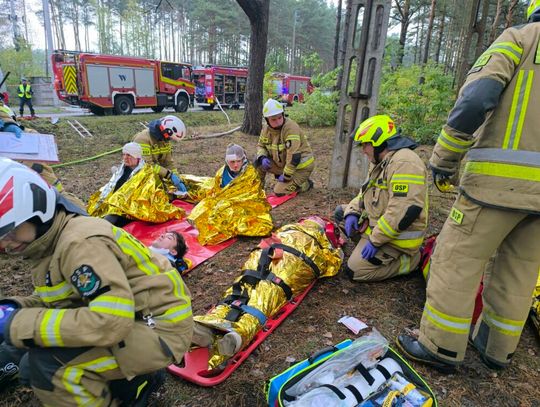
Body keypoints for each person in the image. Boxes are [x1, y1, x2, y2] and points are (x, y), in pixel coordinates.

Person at [397, 1, 540, 372]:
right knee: (521, 268)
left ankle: (439, 345)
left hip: (495, 186)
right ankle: (496, 349)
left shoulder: (520, 39)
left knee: (456, 259)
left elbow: (476, 98)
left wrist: (444, 158)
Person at [0, 158, 193, 405]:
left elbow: (110, 322)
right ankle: (129, 383)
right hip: (136, 318)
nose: (6, 243)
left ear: (37, 211)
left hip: (159, 329)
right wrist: (16, 309)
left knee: (51, 369)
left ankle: (132, 384)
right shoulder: (48, 243)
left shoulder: (80, 244)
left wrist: (17, 324)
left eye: (9, 231)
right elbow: (64, 299)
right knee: (28, 367)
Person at [335, 115, 428, 282]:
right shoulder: (381, 161)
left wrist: (375, 240)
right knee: (341, 213)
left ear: (378, 143)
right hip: (379, 223)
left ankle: (410, 261)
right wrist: (352, 212)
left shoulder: (404, 163)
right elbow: (365, 193)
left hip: (398, 239)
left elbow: (402, 212)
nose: (363, 150)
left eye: (365, 145)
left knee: (354, 271)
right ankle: (372, 253)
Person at [188, 143, 273, 245]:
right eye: (232, 162)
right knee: (201, 212)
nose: (236, 165)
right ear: (227, 161)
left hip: (244, 206)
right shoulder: (221, 173)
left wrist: (228, 202)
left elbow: (253, 195)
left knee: (227, 218)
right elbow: (217, 192)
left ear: (243, 160)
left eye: (238, 161)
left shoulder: (250, 174)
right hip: (223, 202)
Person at [87, 142, 185, 226]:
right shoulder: (122, 169)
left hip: (132, 207)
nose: (125, 158)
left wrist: (120, 202)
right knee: (95, 206)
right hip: (116, 202)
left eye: (129, 155)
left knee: (112, 215)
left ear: (137, 157)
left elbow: (145, 194)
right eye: (124, 154)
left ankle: (100, 229)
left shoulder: (146, 172)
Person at [254, 99, 314, 196]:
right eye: (273, 119)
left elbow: (294, 156)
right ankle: (257, 187)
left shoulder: (290, 128)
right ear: (267, 120)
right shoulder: (265, 129)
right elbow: (261, 146)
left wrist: (286, 176)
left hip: (300, 167)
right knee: (258, 162)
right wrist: (263, 157)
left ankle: (305, 184)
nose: (278, 122)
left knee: (279, 191)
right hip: (283, 164)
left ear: (283, 115)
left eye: (279, 117)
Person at [132, 115, 188, 194]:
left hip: (152, 172)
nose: (169, 141)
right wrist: (169, 175)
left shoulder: (164, 140)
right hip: (138, 174)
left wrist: (177, 179)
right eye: (170, 138)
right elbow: (147, 166)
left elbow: (168, 162)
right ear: (166, 132)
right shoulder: (143, 139)